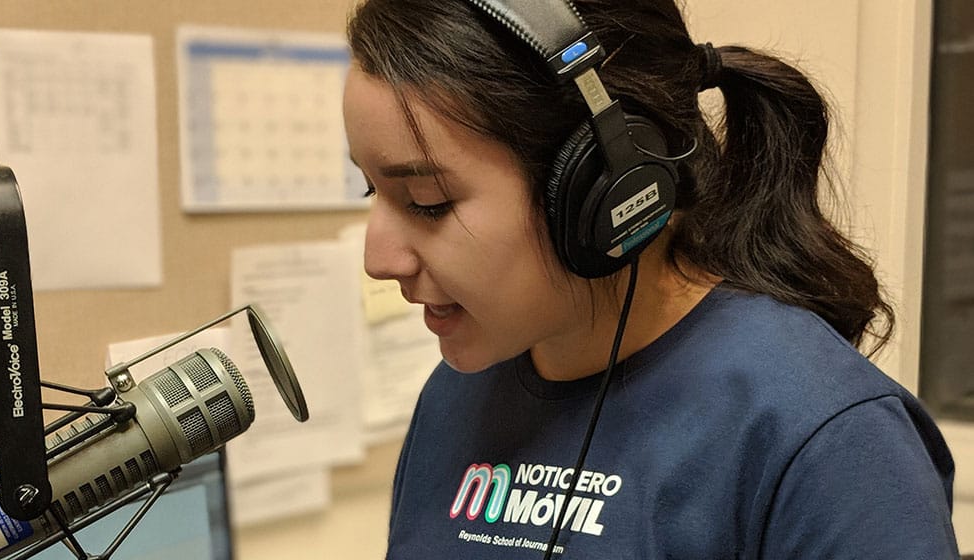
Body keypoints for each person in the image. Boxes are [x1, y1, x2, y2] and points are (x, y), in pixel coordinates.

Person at [342, 0, 961, 558]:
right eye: (372, 189)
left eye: (425, 200)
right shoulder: (457, 395)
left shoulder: (829, 442)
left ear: (604, 185)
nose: (379, 258)